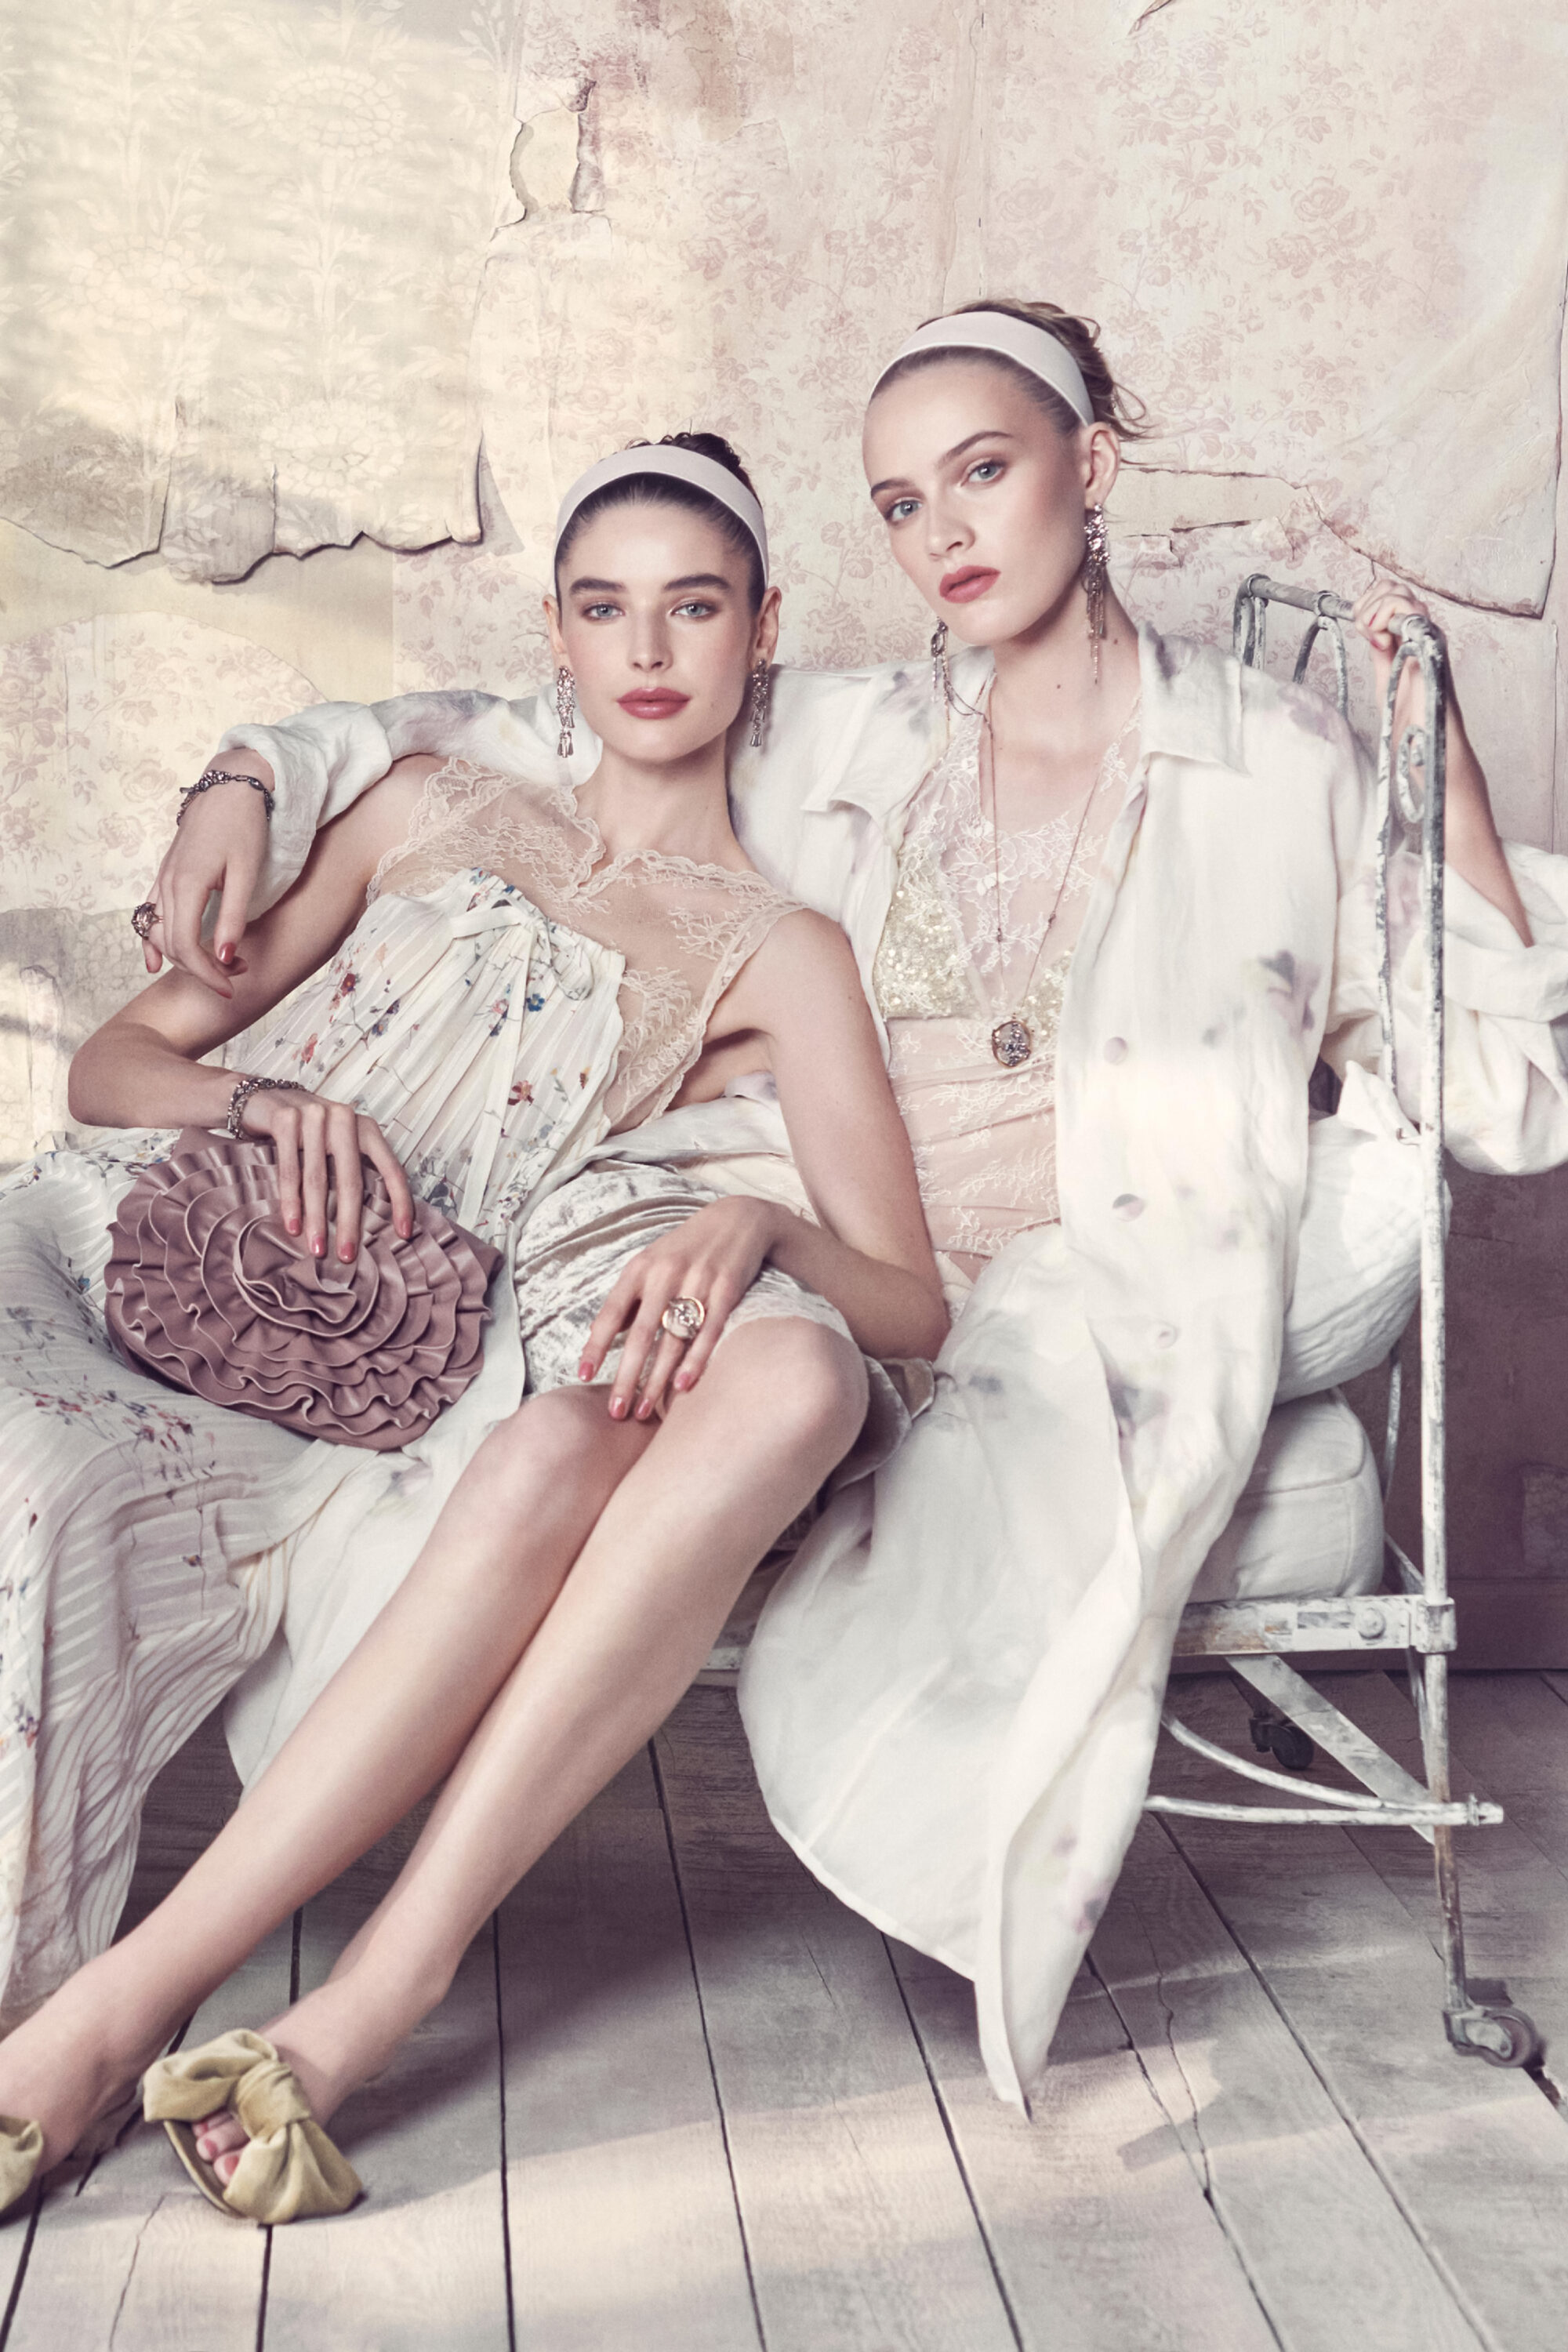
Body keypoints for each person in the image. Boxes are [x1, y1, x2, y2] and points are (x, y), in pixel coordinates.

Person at [131, 302, 1568, 2113]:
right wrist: (249, 775)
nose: (942, 534)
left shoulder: (1274, 759)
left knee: (747, 1405)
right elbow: (536, 721)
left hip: (1060, 1288)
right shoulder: (856, 729)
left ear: (1090, 466)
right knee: (576, 1424)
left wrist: (1442, 776)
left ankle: (347, 1992)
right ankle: (182, 1991)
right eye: (898, 504)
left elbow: (1496, 1092)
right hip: (802, 1229)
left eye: (982, 472)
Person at [0, 435, 946, 2220]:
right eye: (604, 608)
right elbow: (113, 1063)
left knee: (628, 1424)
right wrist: (261, 1104)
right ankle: (115, 2006)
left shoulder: (777, 950)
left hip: (419, 1326)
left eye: (694, 608)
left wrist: (764, 1221)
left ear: (763, 629)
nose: (647, 650)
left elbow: (908, 1296)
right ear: (554, 634)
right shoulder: (425, 806)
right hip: (162, 1247)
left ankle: (181, 2016)